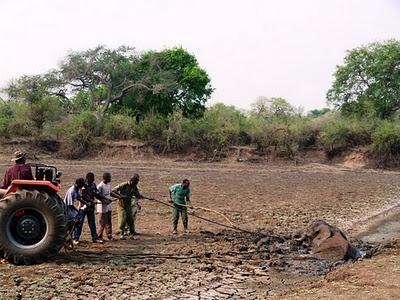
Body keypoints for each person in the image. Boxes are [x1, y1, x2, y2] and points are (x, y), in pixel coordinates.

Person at [73, 172, 104, 244]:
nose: (93, 179)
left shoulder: (93, 184)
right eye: (92, 178)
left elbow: (96, 194)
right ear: (87, 178)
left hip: (90, 208)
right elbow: (83, 196)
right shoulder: (83, 185)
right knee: (79, 223)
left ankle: (95, 238)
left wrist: (105, 200)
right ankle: (76, 238)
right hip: (83, 207)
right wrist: (91, 201)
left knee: (92, 223)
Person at [112, 174, 145, 240]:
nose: (137, 183)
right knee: (122, 221)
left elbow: (136, 194)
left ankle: (132, 234)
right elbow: (113, 191)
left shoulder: (134, 187)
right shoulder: (123, 185)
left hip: (129, 205)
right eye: (136, 181)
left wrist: (141, 196)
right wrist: (120, 196)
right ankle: (122, 233)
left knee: (131, 220)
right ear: (132, 180)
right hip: (121, 205)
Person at [97, 172, 114, 241]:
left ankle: (109, 235)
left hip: (108, 205)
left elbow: (111, 193)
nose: (110, 179)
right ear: (105, 178)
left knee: (109, 221)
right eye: (109, 178)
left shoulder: (108, 185)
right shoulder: (100, 186)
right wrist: (105, 201)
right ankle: (99, 236)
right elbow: (98, 196)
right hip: (102, 206)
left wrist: (119, 196)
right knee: (102, 222)